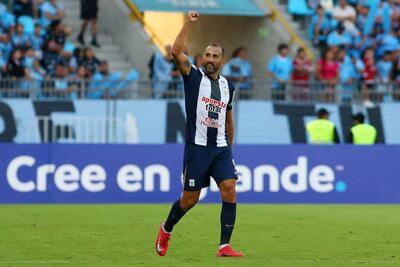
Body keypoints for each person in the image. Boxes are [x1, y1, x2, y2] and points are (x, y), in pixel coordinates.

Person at [155, 11, 243, 258]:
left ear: (222, 60)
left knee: (229, 188)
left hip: (221, 148)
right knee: (190, 200)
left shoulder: (229, 87)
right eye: (207, 54)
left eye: (215, 55)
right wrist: (187, 24)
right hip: (198, 148)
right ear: (202, 57)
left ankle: (224, 246)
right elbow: (175, 51)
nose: (210, 59)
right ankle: (166, 228)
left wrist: (229, 148)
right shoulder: (193, 77)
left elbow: (228, 117)